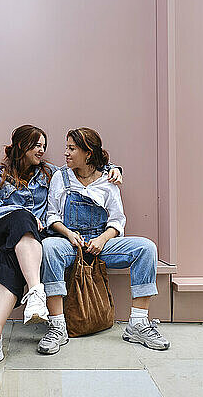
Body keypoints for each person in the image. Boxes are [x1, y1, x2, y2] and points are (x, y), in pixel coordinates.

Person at [0, 124, 122, 374]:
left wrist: (113, 169)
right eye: (37, 145)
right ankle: (36, 292)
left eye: (44, 145)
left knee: (11, 260)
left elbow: (87, 166)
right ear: (21, 146)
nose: (42, 150)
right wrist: (22, 214)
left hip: (27, 249)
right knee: (21, 219)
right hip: (1, 238)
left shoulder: (50, 173)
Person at [38, 127, 170, 355]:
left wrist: (102, 239)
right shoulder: (61, 177)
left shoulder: (108, 180)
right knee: (49, 247)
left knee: (146, 248)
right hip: (70, 244)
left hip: (101, 242)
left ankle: (138, 324)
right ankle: (57, 326)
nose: (66, 153)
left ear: (88, 153)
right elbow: (52, 216)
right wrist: (68, 234)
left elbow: (118, 221)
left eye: (72, 149)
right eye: (66, 148)